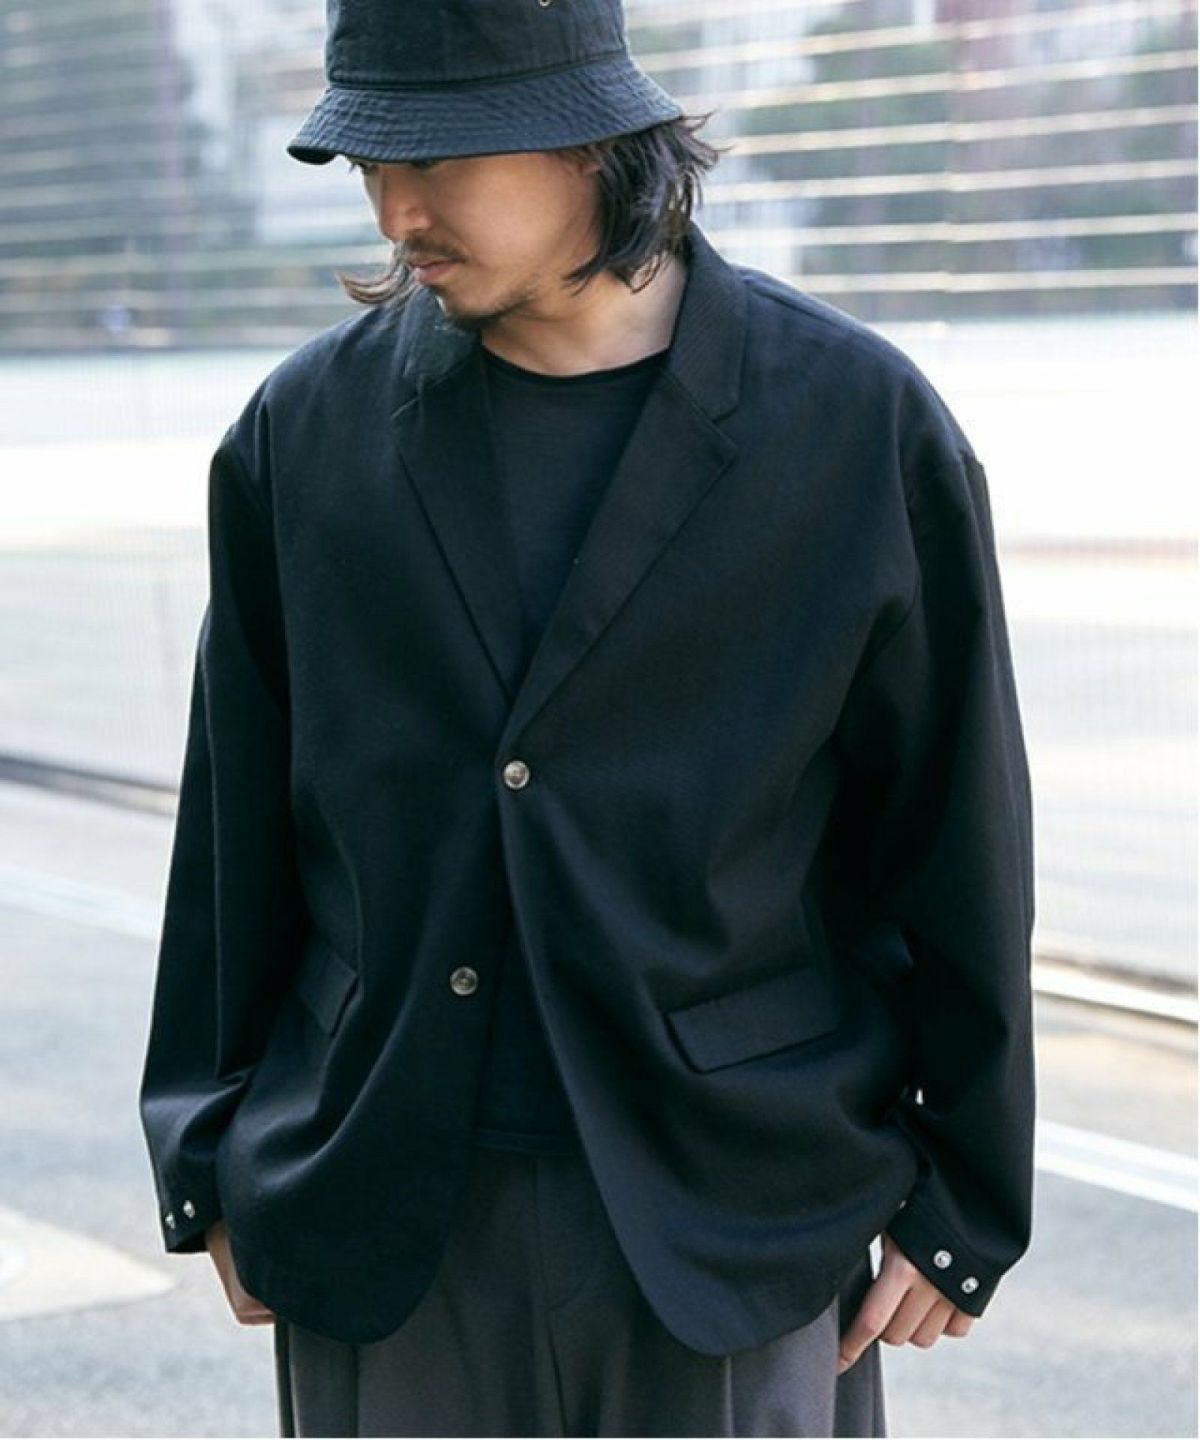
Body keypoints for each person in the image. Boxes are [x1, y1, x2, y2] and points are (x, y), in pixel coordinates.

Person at [138, 1, 1038, 1435]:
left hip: (737, 1205)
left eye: (439, 158)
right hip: (385, 1202)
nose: (398, 209)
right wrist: (206, 1149)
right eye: (369, 164)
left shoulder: (854, 426)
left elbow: (958, 832)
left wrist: (967, 1198)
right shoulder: (302, 436)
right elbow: (233, 827)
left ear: (593, 142)